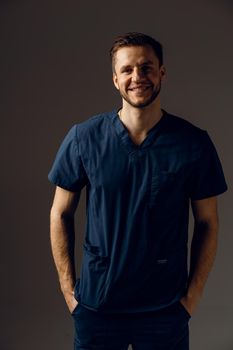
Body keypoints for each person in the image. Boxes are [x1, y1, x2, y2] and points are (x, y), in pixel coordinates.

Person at [48, 32, 228, 350]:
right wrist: (67, 288)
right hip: (97, 307)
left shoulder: (193, 143)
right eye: (128, 69)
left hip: (165, 309)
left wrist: (193, 294)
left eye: (146, 68)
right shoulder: (83, 138)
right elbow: (60, 213)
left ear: (162, 73)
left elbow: (208, 222)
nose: (138, 77)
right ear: (115, 79)